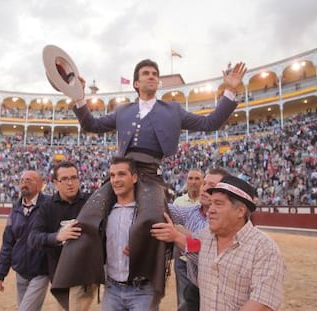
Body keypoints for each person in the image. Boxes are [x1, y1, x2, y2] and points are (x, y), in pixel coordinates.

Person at [70, 59, 247, 300]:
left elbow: (210, 123)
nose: (152, 76)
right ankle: (88, 272)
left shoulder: (172, 110)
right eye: (146, 73)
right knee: (89, 213)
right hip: (122, 171)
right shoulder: (123, 111)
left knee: (154, 219)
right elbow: (91, 124)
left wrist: (231, 89)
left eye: (155, 73)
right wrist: (78, 97)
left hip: (151, 175)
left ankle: (149, 278)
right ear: (136, 82)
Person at [152, 175, 285, 311]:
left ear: (240, 211)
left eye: (219, 204)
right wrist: (175, 235)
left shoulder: (264, 249)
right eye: (211, 204)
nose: (211, 210)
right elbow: (193, 246)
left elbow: (262, 304)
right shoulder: (205, 237)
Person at [28, 161, 91, 310]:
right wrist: (57, 237)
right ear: (56, 183)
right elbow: (33, 238)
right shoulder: (47, 207)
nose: (70, 183)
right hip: (59, 274)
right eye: (64, 179)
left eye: (74, 178)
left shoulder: (90, 201)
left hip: (85, 274)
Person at [102, 156, 163, 310]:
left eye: (121, 174)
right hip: (112, 288)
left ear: (134, 178)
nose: (116, 180)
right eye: (112, 175)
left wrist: (144, 249)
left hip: (142, 289)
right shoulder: (104, 213)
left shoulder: (149, 213)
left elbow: (163, 244)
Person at [168, 168, 229, 311]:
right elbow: (165, 209)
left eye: (211, 186)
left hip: (219, 290)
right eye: (205, 183)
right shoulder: (194, 211)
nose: (204, 188)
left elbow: (208, 252)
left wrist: (178, 234)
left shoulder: (227, 219)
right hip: (195, 284)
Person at [0, 170, 50, 311]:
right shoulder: (16, 208)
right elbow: (8, 242)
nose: (24, 184)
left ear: (40, 185)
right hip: (21, 271)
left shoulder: (49, 205)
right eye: (22, 180)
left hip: (41, 271)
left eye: (29, 180)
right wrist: (1, 273)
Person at [171, 168, 203, 310]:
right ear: (186, 181)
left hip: (203, 261)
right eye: (191, 178)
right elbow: (174, 227)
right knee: (184, 301)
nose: (194, 182)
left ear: (202, 182)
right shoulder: (179, 202)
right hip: (183, 259)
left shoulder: (207, 201)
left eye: (197, 179)